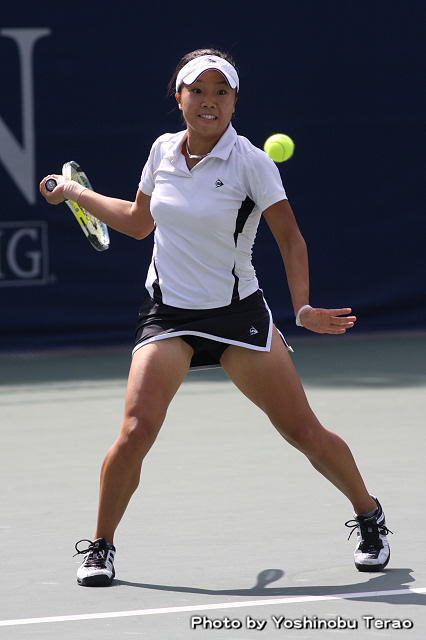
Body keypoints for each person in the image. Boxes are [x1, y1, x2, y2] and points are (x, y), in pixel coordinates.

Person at [40, 49, 391, 587]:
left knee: (303, 431)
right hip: (168, 314)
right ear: (178, 97)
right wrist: (74, 192)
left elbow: (291, 239)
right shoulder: (162, 150)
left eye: (220, 92)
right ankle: (101, 546)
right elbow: (137, 222)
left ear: (234, 101)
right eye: (198, 91)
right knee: (135, 431)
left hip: (236, 316)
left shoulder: (253, 163)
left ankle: (369, 514)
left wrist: (301, 307)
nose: (209, 101)